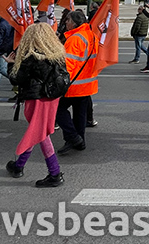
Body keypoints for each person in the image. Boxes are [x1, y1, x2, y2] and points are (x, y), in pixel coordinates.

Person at [5, 23, 69, 188]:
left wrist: (11, 63)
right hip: (52, 98)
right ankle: (18, 165)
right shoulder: (57, 53)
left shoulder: (32, 57)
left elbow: (16, 79)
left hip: (36, 99)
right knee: (38, 131)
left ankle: (55, 173)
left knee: (39, 133)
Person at [56, 10, 98, 154]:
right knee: (80, 114)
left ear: (74, 23)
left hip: (75, 84)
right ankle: (80, 141)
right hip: (87, 83)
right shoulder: (91, 35)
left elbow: (68, 65)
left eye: (67, 20)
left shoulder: (75, 39)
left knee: (58, 109)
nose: (65, 22)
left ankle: (72, 137)